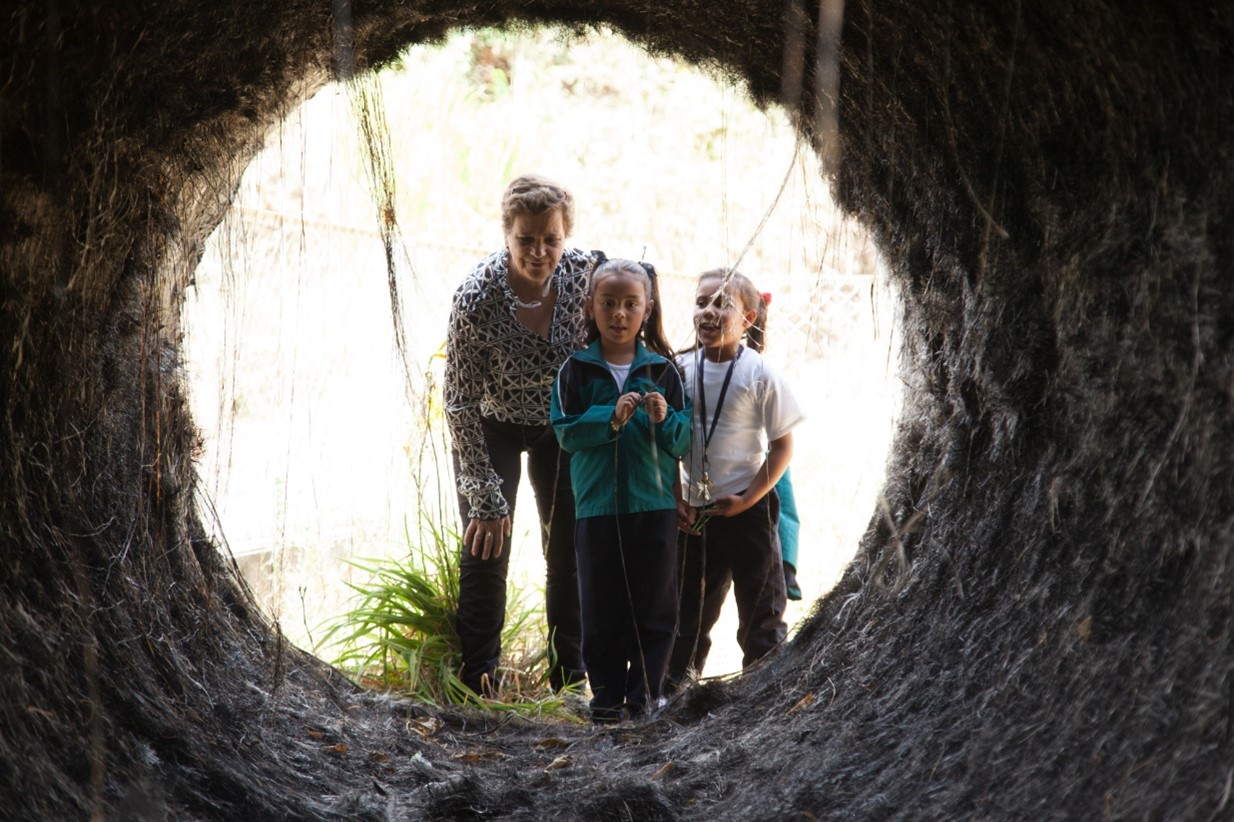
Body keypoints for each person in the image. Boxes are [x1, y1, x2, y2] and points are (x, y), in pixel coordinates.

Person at [444, 174, 594, 697]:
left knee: (570, 552)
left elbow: (637, 294)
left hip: (562, 428)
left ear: (565, 236)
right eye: (525, 240)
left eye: (550, 239)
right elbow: (459, 400)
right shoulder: (476, 297)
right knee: (486, 547)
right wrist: (483, 494)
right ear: (505, 235)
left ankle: (570, 680)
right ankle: (477, 681)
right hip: (493, 427)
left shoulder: (585, 276)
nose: (538, 251)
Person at [550, 258, 692, 722]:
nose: (619, 314)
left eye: (631, 304)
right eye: (608, 303)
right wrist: (610, 418)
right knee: (600, 606)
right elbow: (566, 433)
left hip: (653, 505)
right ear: (590, 306)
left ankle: (647, 697)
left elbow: (685, 439)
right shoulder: (575, 370)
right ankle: (607, 702)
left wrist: (662, 417)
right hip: (596, 508)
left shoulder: (664, 372)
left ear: (647, 310)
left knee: (655, 606)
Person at [666, 268, 805, 693]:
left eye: (722, 303)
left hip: (749, 510)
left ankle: (764, 697)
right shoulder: (678, 369)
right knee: (688, 614)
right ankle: (673, 696)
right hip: (694, 514)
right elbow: (664, 442)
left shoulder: (760, 373)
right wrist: (677, 498)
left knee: (761, 611)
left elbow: (782, 447)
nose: (708, 311)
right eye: (701, 301)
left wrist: (748, 499)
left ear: (747, 319)